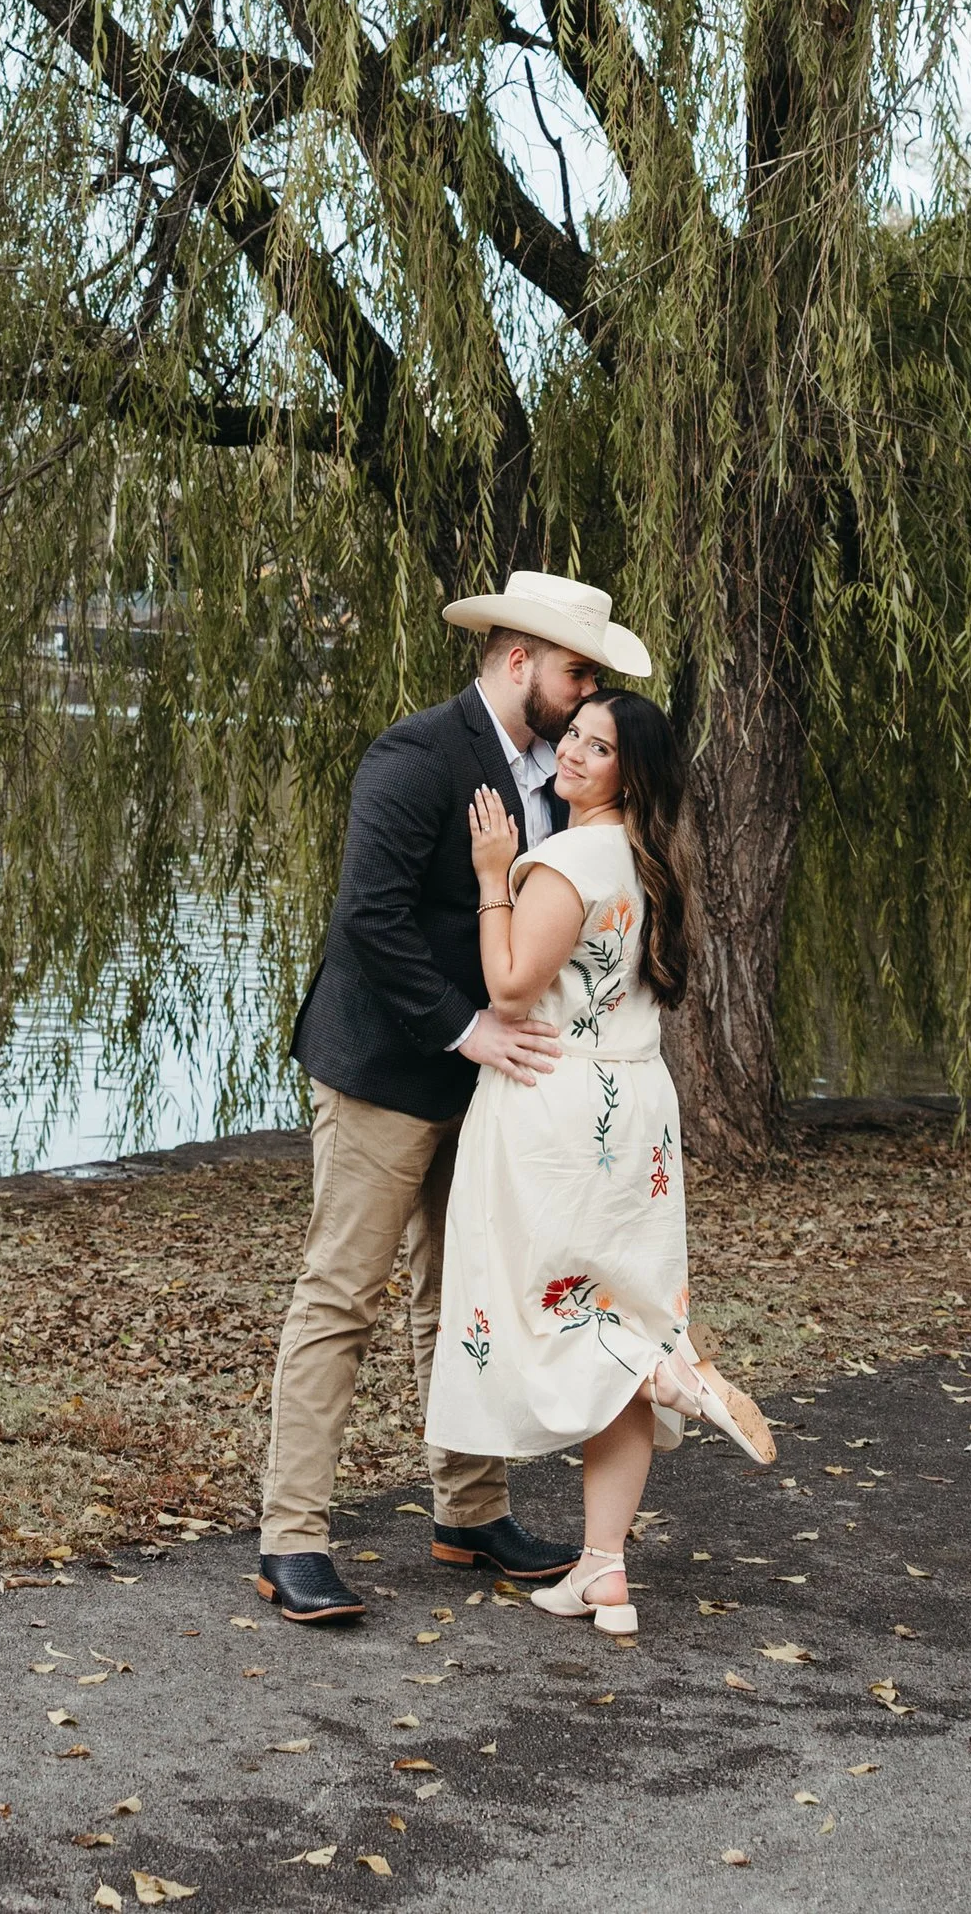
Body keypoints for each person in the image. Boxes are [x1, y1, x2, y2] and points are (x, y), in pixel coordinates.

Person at [254, 568, 651, 1625]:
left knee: (466, 1289)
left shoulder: (555, 777)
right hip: (387, 1069)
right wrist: (471, 1026)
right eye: (577, 671)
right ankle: (290, 1539)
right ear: (518, 659)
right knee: (342, 1294)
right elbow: (367, 923)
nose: (587, 696)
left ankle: (469, 1511)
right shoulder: (416, 755)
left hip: (487, 1092)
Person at [425, 681, 776, 1640]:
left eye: (599, 747)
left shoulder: (568, 860)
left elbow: (508, 984)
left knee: (546, 1307)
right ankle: (604, 1573)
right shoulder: (654, 860)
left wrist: (497, 871)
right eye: (572, 736)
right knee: (619, 1304)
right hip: (637, 1109)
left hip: (556, 1105)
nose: (573, 754)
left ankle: (671, 1376)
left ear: (634, 771)